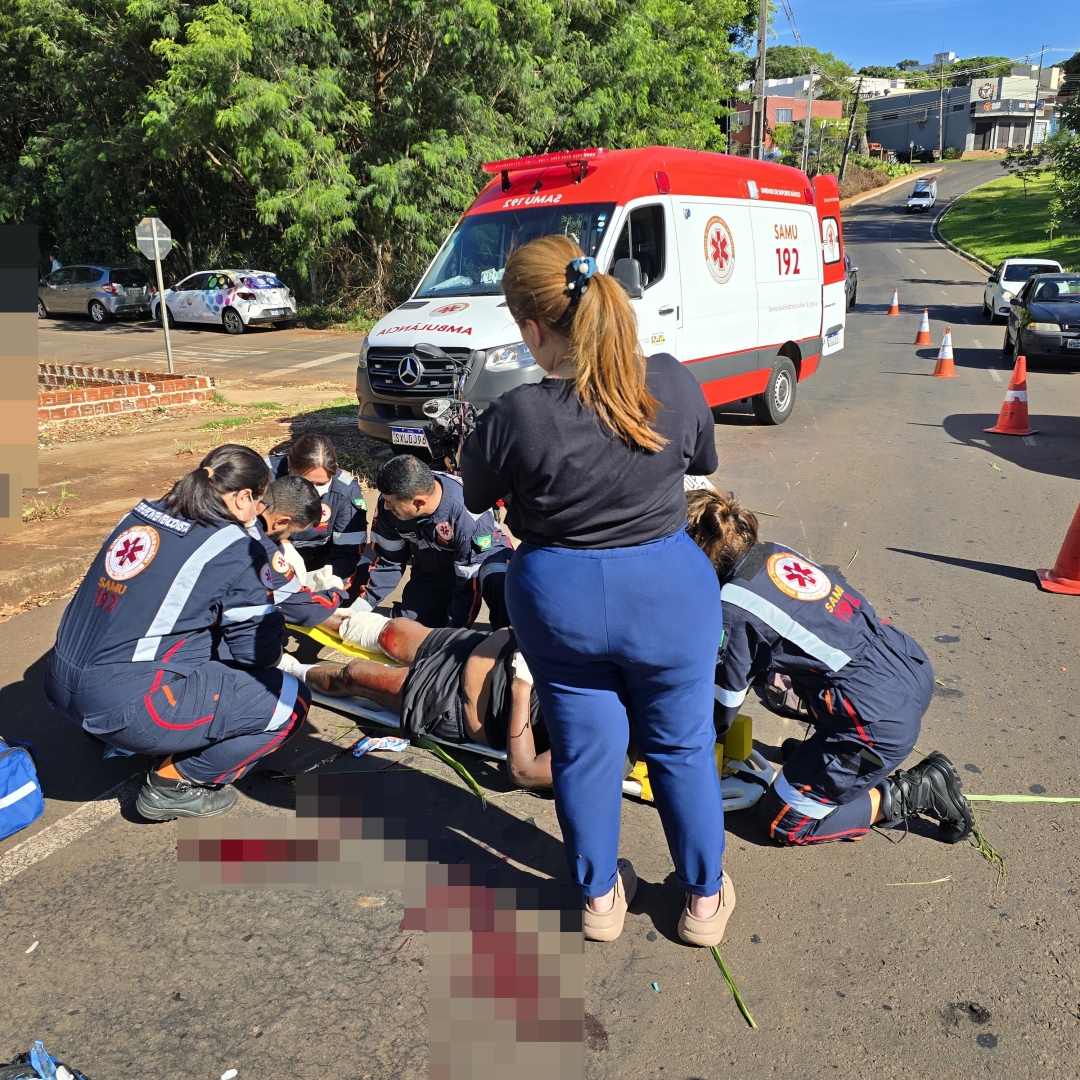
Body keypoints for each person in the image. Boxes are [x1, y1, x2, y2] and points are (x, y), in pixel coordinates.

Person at [460, 236, 730, 947]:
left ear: (531, 329)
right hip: (669, 595)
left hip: (561, 602)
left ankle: (601, 900)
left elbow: (480, 492)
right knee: (681, 748)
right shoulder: (670, 380)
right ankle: (704, 903)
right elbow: (701, 458)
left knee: (586, 750)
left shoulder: (515, 413)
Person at [685, 488, 974, 846]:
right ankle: (825, 761)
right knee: (777, 680)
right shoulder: (771, 552)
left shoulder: (732, 607)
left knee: (782, 823)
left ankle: (911, 791)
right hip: (905, 664)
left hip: (876, 719)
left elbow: (721, 706)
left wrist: (672, 744)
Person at [44, 445, 310, 822]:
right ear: (244, 497)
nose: (258, 513)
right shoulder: (236, 547)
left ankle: (112, 732)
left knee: (191, 634)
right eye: (259, 503)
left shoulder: (140, 514)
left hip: (59, 683)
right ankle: (173, 784)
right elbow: (256, 653)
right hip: (122, 705)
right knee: (288, 700)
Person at [288, 611, 551, 788]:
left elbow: (524, 772)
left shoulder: (593, 747)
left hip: (455, 700)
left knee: (354, 676)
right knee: (391, 633)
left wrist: (521, 686)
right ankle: (294, 607)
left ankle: (286, 669)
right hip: (478, 648)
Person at [354, 454, 513, 630]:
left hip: (481, 561)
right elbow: (387, 560)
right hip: (433, 568)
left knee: (499, 582)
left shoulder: (467, 516)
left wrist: (454, 633)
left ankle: (511, 639)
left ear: (419, 502)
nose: (386, 507)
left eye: (392, 503)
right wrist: (360, 606)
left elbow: (469, 587)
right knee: (408, 630)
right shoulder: (392, 503)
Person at [265, 435, 367, 586]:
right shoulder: (262, 478)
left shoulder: (347, 492)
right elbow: (243, 530)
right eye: (306, 482)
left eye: (321, 483)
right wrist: (280, 543)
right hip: (267, 559)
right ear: (289, 465)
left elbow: (347, 552)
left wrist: (332, 586)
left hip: (318, 566)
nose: (313, 490)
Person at [255, 474, 348, 628]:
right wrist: (335, 592)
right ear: (282, 521)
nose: (287, 537)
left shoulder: (236, 511)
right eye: (290, 531)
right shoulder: (262, 548)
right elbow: (306, 612)